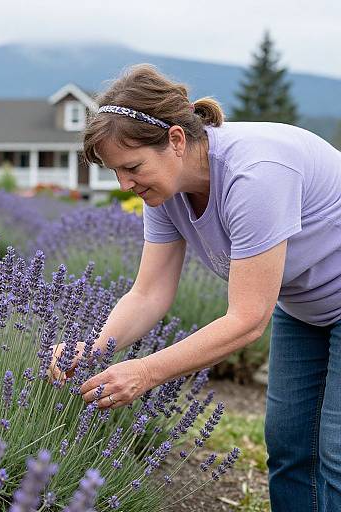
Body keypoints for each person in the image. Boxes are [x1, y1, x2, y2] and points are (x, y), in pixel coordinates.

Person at [48, 63, 341, 511]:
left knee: (336, 457)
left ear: (176, 140)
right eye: (115, 172)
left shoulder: (255, 175)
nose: (125, 184)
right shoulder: (164, 190)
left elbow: (246, 321)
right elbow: (148, 294)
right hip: (304, 305)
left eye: (131, 167)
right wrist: (94, 349)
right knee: (289, 449)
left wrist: (145, 372)